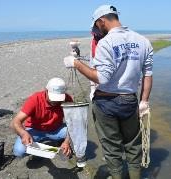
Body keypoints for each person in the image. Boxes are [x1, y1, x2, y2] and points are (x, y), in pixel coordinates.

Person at [64, 5, 153, 178]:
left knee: (112, 149)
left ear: (101, 21)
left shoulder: (107, 42)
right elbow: (148, 74)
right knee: (133, 146)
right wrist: (144, 101)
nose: (97, 30)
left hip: (106, 103)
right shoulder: (143, 41)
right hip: (130, 100)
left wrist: (76, 64)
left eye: (97, 26)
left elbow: (101, 78)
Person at [10, 77, 73, 158]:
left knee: (78, 133)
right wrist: (23, 133)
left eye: (58, 99)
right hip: (35, 130)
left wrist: (67, 142)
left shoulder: (67, 99)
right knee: (19, 152)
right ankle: (40, 146)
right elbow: (15, 121)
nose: (56, 102)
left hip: (56, 130)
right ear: (46, 91)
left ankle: (60, 142)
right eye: (53, 98)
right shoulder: (35, 99)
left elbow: (73, 123)